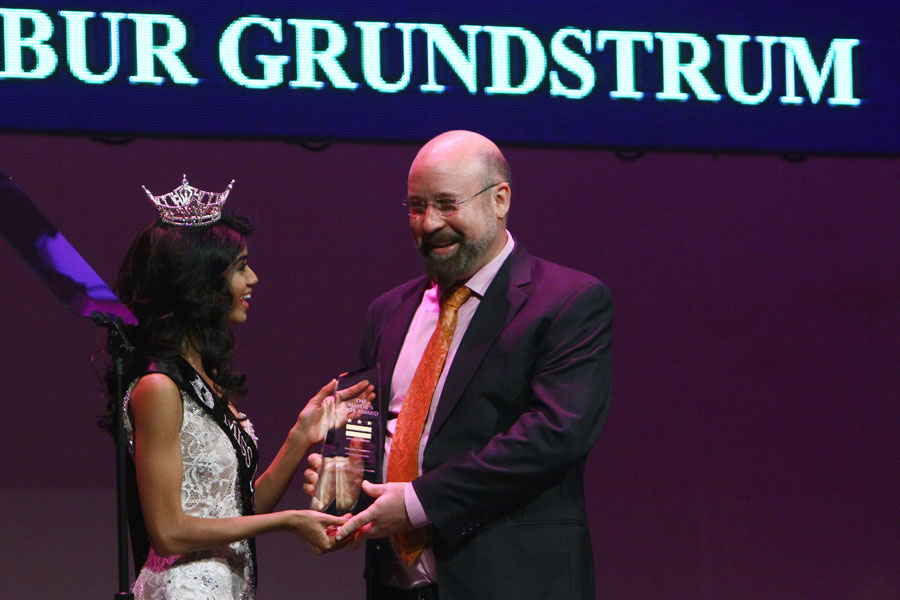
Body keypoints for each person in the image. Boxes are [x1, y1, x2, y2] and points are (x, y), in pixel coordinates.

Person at [304, 131, 613, 599]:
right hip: (397, 584)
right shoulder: (387, 312)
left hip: (512, 582)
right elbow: (369, 425)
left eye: (447, 205)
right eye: (415, 206)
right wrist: (343, 481)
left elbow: (555, 434)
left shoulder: (567, 302)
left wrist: (415, 502)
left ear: (500, 199)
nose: (428, 224)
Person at [105, 177, 372, 599]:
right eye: (240, 267)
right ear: (202, 282)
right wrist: (288, 521)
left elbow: (238, 510)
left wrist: (299, 437)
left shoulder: (200, 380)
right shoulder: (158, 387)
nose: (254, 279)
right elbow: (169, 532)